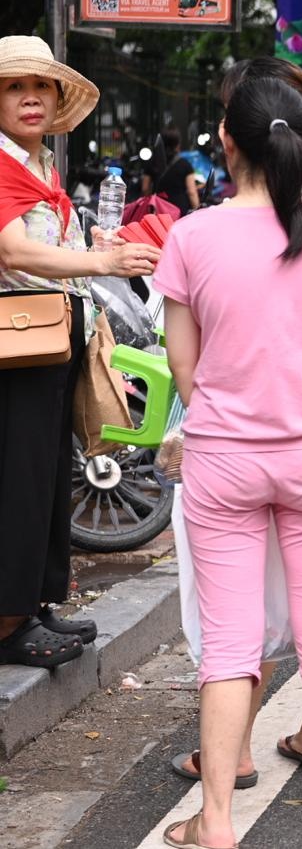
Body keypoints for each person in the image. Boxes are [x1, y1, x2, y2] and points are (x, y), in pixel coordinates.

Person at [153, 77, 302, 848]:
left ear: (228, 139)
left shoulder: (191, 236)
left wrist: (234, 410)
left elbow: (183, 366)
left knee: (229, 642)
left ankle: (215, 821)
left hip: (222, 458)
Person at [0, 36, 162, 669]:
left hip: (50, 340)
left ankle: (33, 608)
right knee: (20, 479)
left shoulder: (41, 165)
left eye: (41, 87)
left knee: (43, 480)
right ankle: (10, 623)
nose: (31, 97)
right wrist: (103, 259)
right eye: (15, 87)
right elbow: (13, 253)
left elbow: (49, 252)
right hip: (17, 343)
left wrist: (90, 245)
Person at [144, 128, 200, 214]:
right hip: (179, 210)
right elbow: (191, 192)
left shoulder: (152, 163)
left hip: (158, 209)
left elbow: (145, 188)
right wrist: (197, 210)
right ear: (177, 144)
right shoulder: (184, 164)